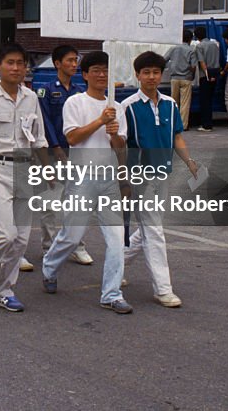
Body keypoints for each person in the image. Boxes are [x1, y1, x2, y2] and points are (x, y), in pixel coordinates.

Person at [41, 50, 132, 314]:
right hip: (82, 179)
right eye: (97, 70)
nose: (102, 75)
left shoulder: (118, 108)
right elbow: (72, 138)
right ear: (86, 75)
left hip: (109, 181)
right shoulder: (76, 103)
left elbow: (120, 146)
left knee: (116, 240)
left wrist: (114, 134)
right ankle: (49, 267)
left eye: (106, 71)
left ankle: (112, 294)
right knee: (72, 236)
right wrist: (100, 121)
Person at [0, 43, 47, 312]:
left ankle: (5, 288)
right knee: (5, 233)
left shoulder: (31, 99)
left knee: (22, 239)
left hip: (26, 169)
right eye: (10, 63)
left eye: (21, 63)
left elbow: (38, 140)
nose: (16, 68)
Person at [121, 51, 201, 308]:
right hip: (139, 177)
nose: (152, 77)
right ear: (137, 75)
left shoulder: (170, 104)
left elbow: (177, 137)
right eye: (146, 72)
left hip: (162, 174)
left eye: (156, 72)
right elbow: (120, 146)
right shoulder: (127, 107)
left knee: (148, 227)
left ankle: (117, 263)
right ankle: (163, 289)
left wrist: (190, 163)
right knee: (154, 231)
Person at [36, 44, 91, 263]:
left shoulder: (79, 91)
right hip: (53, 152)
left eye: (75, 60)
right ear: (57, 63)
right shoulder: (46, 90)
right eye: (69, 60)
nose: (73, 64)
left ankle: (77, 244)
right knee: (50, 201)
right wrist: (56, 148)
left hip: (76, 153)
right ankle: (49, 245)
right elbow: (45, 121)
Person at [164, 29, 198, 131]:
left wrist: (170, 66)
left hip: (174, 78)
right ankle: (183, 125)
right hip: (186, 79)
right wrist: (191, 74)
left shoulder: (173, 48)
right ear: (190, 39)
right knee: (185, 103)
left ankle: (173, 123)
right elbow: (193, 66)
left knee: (174, 102)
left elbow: (164, 59)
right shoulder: (191, 50)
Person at [193, 26, 219, 132]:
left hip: (206, 74)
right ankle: (209, 122)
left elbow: (202, 62)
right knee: (210, 99)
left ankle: (206, 124)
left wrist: (207, 73)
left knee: (204, 100)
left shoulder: (199, 46)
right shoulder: (215, 45)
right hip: (215, 72)